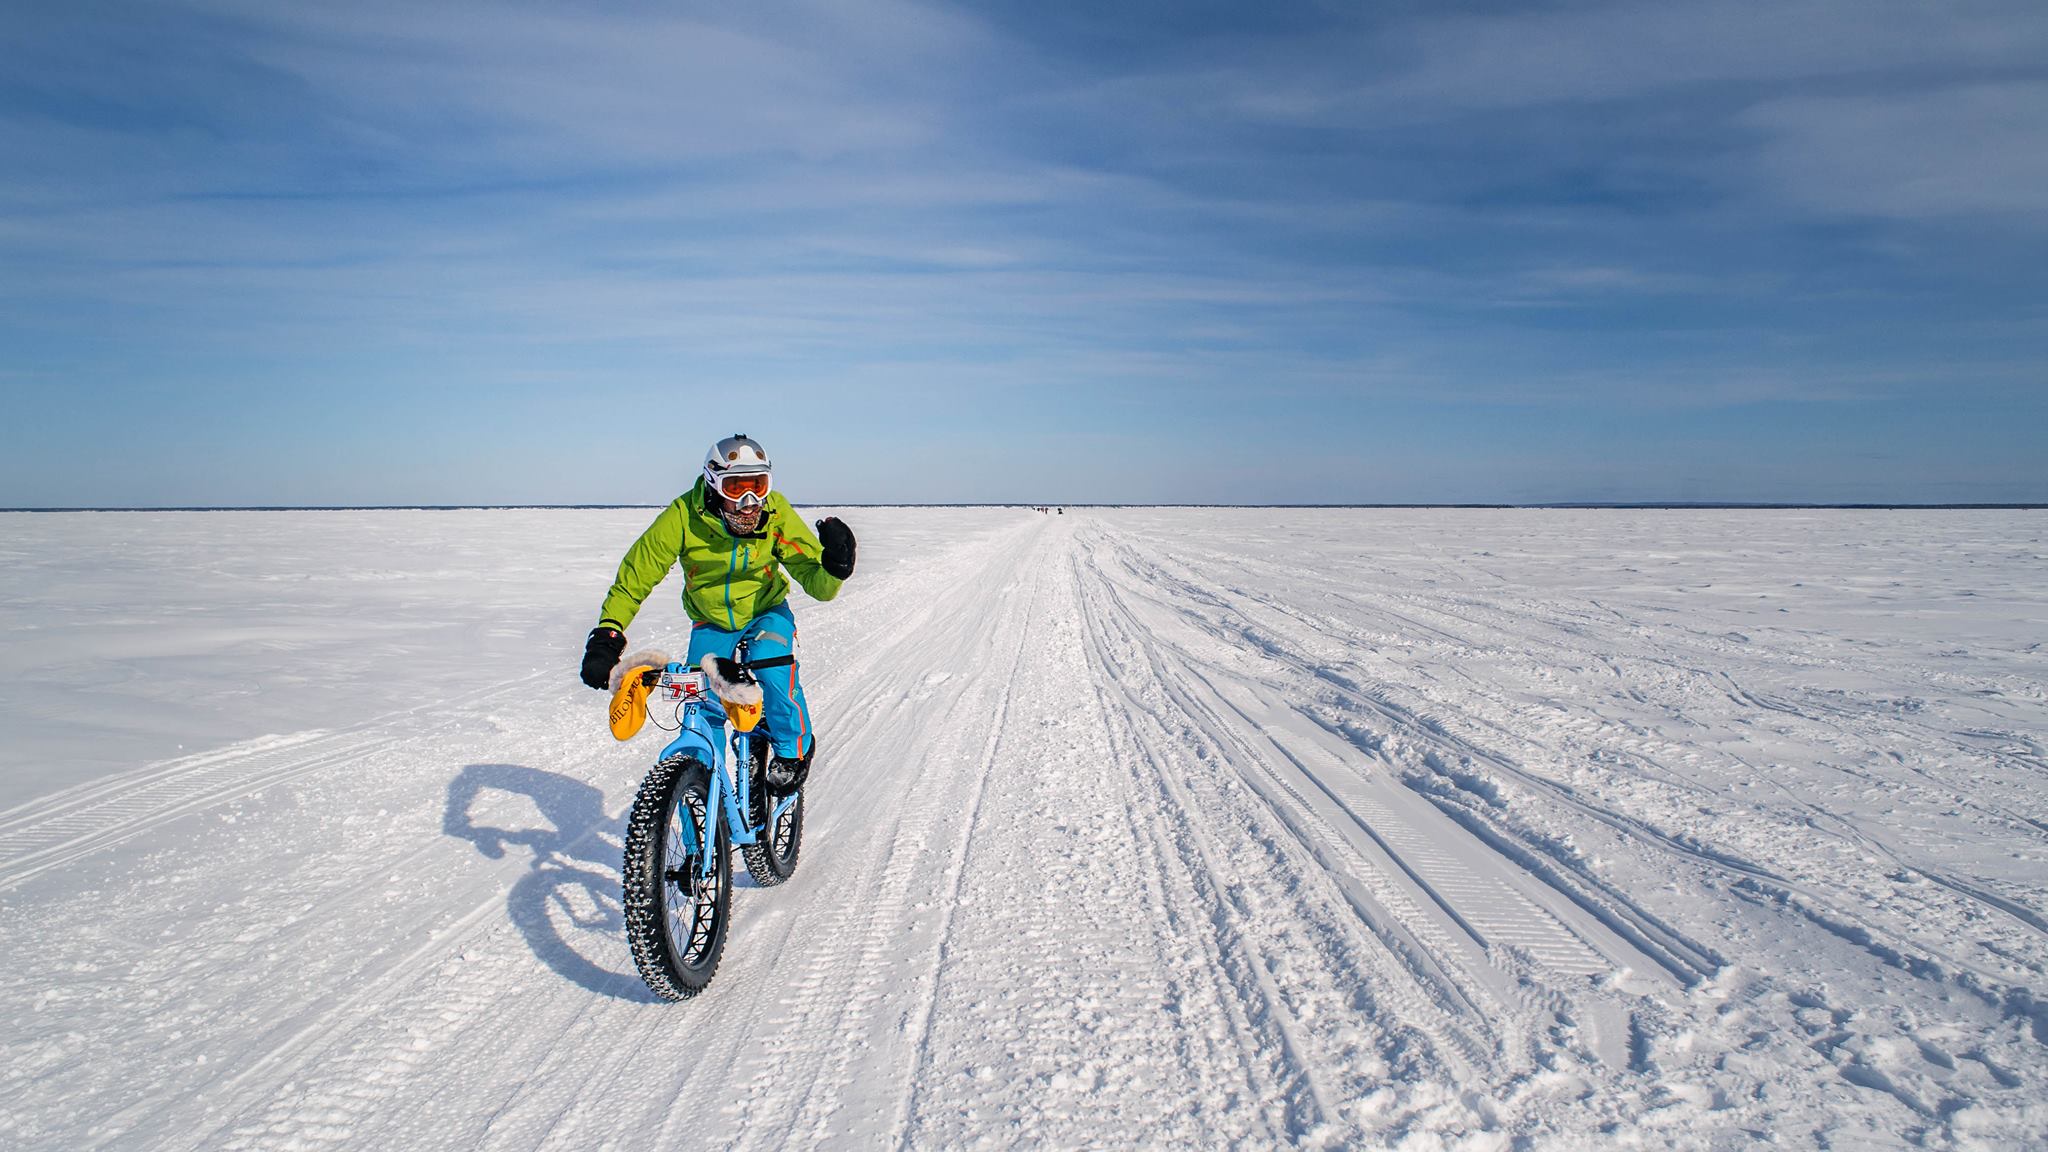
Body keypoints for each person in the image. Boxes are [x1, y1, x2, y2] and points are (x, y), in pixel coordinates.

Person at [579, 434, 856, 792]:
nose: (749, 501)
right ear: (713, 484)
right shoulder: (682, 517)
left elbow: (814, 581)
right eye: (737, 487)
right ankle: (704, 779)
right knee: (704, 697)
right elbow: (637, 576)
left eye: (758, 486)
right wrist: (607, 634)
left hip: (765, 612)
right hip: (711, 620)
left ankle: (793, 749)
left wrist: (834, 568)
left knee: (772, 665)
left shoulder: (775, 514)